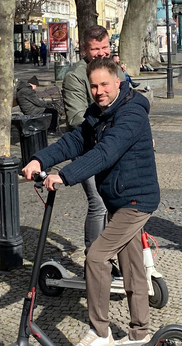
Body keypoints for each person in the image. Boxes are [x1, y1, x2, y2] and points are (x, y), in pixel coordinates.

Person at [23, 57, 159, 346]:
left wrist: (65, 175)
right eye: (94, 86)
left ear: (118, 82)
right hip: (118, 200)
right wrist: (39, 159)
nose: (99, 91)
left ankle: (101, 332)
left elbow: (106, 153)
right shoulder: (99, 113)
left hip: (136, 200)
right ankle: (140, 334)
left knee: (97, 257)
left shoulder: (132, 112)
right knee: (132, 266)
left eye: (105, 85)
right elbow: (74, 141)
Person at [63, 25, 126, 270]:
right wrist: (110, 123)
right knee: (98, 203)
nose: (101, 53)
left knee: (116, 203)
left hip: (114, 146)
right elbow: (76, 117)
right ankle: (94, 259)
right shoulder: (76, 76)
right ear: (84, 49)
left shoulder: (114, 68)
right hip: (88, 148)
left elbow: (127, 98)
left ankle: (110, 254)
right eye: (95, 49)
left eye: (105, 47)